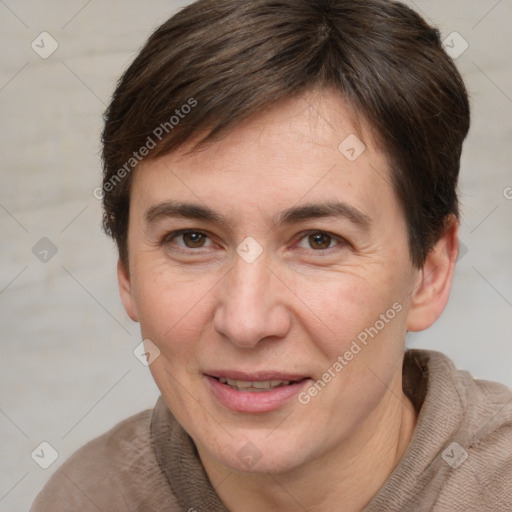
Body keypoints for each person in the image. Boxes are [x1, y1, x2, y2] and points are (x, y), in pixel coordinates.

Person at [31, 0, 512, 510]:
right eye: (192, 238)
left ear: (430, 273)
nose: (246, 321)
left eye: (319, 240)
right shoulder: (84, 497)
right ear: (126, 272)